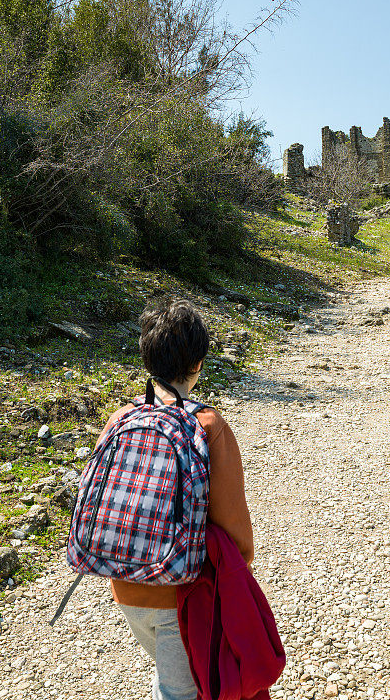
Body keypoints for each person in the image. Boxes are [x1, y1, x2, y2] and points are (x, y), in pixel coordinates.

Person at [96, 299, 254, 700]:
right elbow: (235, 532)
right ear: (198, 363)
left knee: (172, 676)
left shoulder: (120, 419)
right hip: (180, 592)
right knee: (179, 690)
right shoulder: (207, 425)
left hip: (123, 584)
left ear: (148, 360)